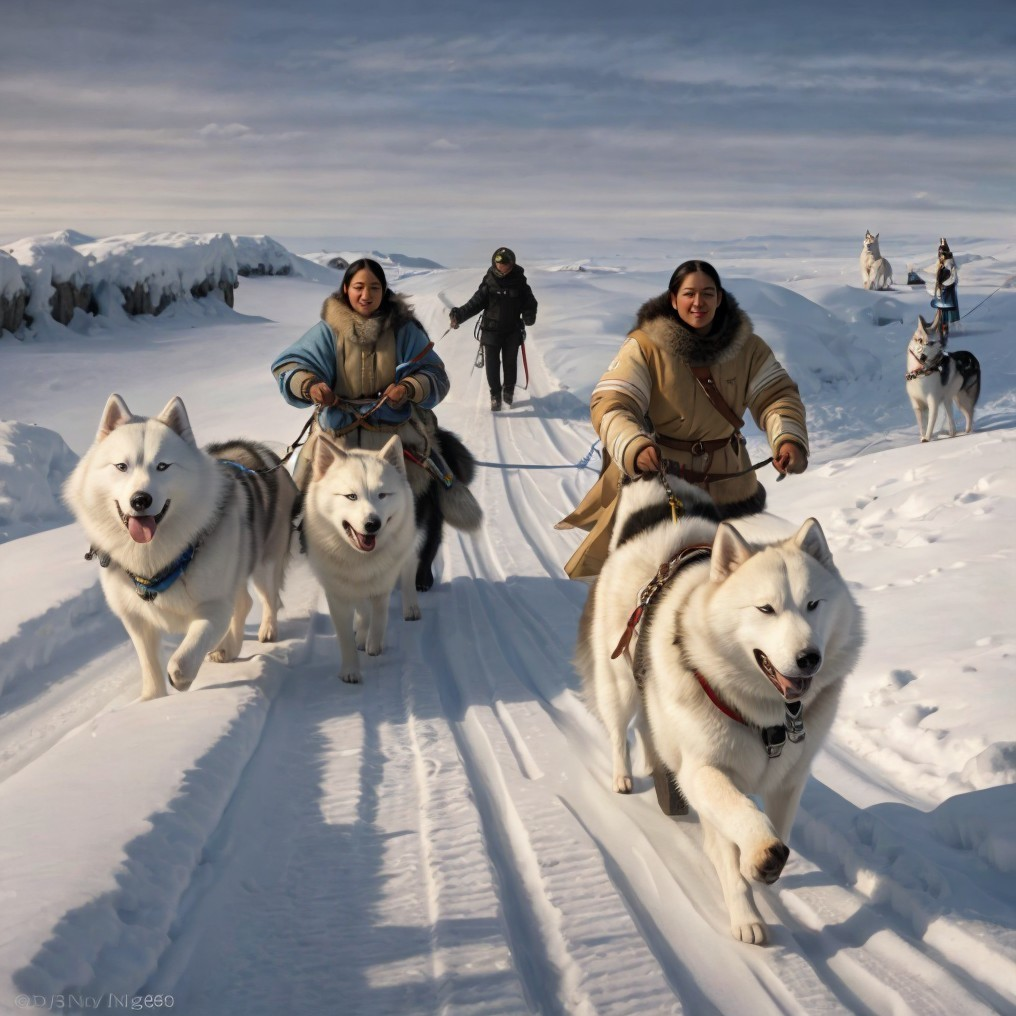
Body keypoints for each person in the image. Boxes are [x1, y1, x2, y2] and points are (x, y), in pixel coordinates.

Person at [556, 259, 809, 580]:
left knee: (736, 584)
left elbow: (777, 396)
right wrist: (633, 445)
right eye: (689, 293)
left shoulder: (749, 348)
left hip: (732, 486)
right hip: (663, 482)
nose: (698, 302)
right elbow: (611, 402)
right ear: (674, 299)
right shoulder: (644, 346)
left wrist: (787, 436)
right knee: (655, 581)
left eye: (707, 293)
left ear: (719, 297)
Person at [270, 257, 450, 492]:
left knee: (437, 484)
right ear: (346, 289)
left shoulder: (404, 330)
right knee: (300, 492)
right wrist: (310, 385)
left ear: (384, 291)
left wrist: (408, 388)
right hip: (336, 431)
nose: (366, 295)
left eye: (374, 288)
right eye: (359, 287)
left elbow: (434, 373)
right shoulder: (329, 331)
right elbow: (290, 366)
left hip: (395, 432)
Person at [449, 246, 538, 411]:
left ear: (512, 263)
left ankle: (509, 391)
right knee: (492, 364)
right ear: (494, 262)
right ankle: (495, 395)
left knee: (510, 363)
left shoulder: (519, 281)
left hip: (512, 331)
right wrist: (459, 315)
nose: (501, 265)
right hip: (490, 331)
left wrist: (529, 314)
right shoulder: (489, 281)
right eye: (498, 262)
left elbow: (529, 302)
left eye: (505, 262)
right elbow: (475, 303)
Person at [933, 238, 959, 337]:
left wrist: (944, 285)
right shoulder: (942, 264)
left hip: (947, 290)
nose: (939, 254)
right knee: (941, 310)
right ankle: (942, 328)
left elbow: (953, 278)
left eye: (941, 252)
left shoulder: (948, 264)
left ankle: (944, 329)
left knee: (945, 310)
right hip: (943, 290)